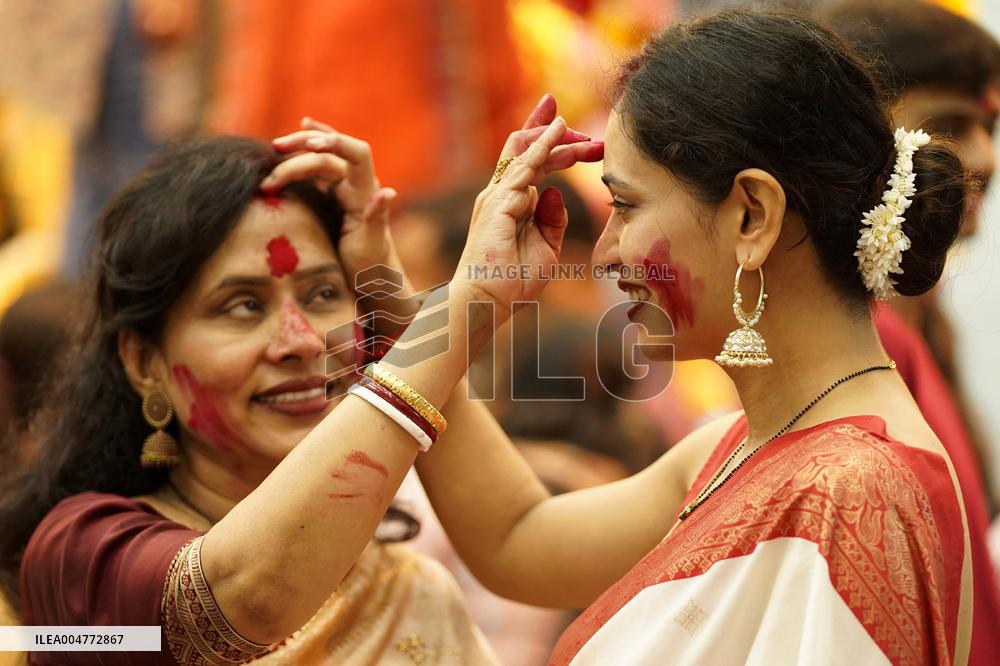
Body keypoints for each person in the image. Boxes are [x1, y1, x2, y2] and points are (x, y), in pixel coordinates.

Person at [401, 9, 970, 664]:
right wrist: (451, 296)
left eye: (627, 206)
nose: (607, 255)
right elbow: (514, 539)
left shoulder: (847, 488)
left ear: (752, 216)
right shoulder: (749, 446)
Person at [0, 115, 600, 664]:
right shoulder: (80, 561)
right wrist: (464, 306)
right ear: (144, 362)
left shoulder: (407, 588)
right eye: (241, 306)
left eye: (321, 295)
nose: (302, 340)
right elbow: (238, 607)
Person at [821, 3, 1000, 663]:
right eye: (949, 124)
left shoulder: (919, 324)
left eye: (990, 126)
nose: (983, 154)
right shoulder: (852, 342)